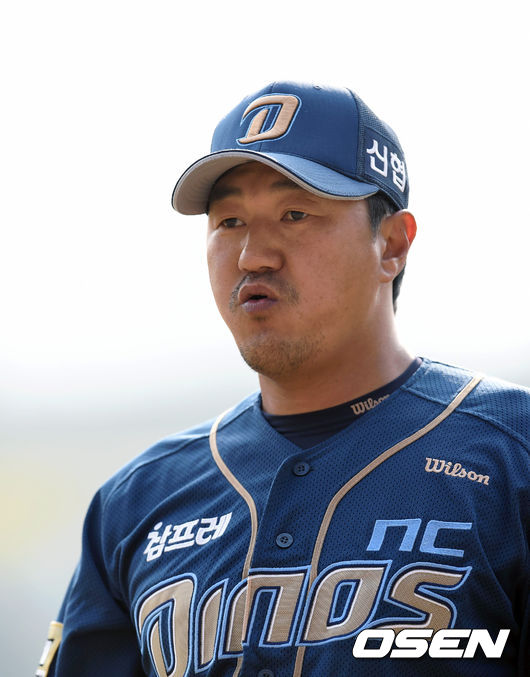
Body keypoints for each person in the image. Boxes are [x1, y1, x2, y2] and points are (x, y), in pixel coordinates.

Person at [37, 82, 529, 677]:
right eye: (229, 221)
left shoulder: (512, 452)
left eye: (295, 214)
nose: (253, 256)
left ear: (392, 245)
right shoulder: (137, 501)